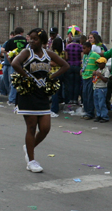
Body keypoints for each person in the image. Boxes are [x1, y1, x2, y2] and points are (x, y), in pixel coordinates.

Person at [11, 28, 69, 173]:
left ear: (42, 41)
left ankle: (28, 146)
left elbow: (65, 65)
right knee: (31, 127)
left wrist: (52, 76)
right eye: (30, 38)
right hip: (28, 94)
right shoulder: (26, 53)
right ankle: (31, 161)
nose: (31, 41)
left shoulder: (48, 54)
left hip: (42, 95)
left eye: (35, 39)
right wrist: (27, 76)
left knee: (45, 128)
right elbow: (14, 63)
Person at [80, 39, 101, 120]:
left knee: (90, 96)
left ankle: (90, 113)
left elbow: (101, 63)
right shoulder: (85, 55)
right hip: (84, 76)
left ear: (89, 48)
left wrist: (96, 71)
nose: (83, 50)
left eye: (84, 48)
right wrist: (81, 70)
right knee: (84, 95)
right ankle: (86, 111)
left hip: (91, 78)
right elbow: (84, 65)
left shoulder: (94, 55)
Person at [64, 30, 83, 104]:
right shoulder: (80, 47)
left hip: (70, 65)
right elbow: (82, 57)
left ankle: (70, 99)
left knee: (70, 83)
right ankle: (75, 99)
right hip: (77, 65)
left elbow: (66, 57)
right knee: (77, 83)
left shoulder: (68, 46)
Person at [92, 57, 110, 123]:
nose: (99, 65)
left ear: (104, 63)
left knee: (102, 103)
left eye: (100, 63)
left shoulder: (106, 70)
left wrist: (100, 76)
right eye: (98, 63)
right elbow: (94, 79)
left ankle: (104, 116)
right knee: (96, 103)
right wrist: (93, 75)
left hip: (102, 88)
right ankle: (98, 115)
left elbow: (106, 80)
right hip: (96, 87)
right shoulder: (98, 69)